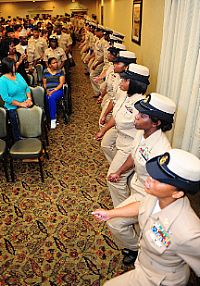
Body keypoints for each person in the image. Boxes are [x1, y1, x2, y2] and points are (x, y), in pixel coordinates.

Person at [93, 148, 200, 286]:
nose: (149, 180)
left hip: (160, 280)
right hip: (144, 263)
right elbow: (142, 205)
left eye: (159, 180)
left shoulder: (189, 232)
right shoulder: (159, 195)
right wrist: (110, 213)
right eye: (153, 174)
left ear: (178, 193)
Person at [105, 93, 176, 264]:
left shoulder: (161, 151)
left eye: (142, 115)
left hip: (149, 196)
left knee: (114, 223)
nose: (135, 117)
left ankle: (138, 249)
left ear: (156, 123)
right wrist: (119, 172)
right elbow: (134, 154)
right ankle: (137, 246)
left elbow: (162, 193)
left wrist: (145, 209)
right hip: (136, 185)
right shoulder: (142, 132)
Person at [0, 57, 32, 142]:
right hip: (13, 108)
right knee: (16, 122)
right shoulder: (2, 80)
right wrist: (20, 104)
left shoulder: (18, 75)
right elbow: (6, 98)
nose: (15, 67)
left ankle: (31, 136)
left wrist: (29, 99)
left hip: (26, 103)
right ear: (7, 67)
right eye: (13, 65)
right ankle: (19, 140)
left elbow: (26, 88)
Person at [43, 57, 65, 129]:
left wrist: (53, 91)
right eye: (53, 63)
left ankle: (53, 119)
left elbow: (61, 83)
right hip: (48, 91)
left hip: (58, 90)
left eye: (56, 62)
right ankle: (49, 117)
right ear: (49, 65)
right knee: (47, 98)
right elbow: (44, 84)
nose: (56, 64)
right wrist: (47, 91)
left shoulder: (60, 71)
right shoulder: (45, 71)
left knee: (51, 97)